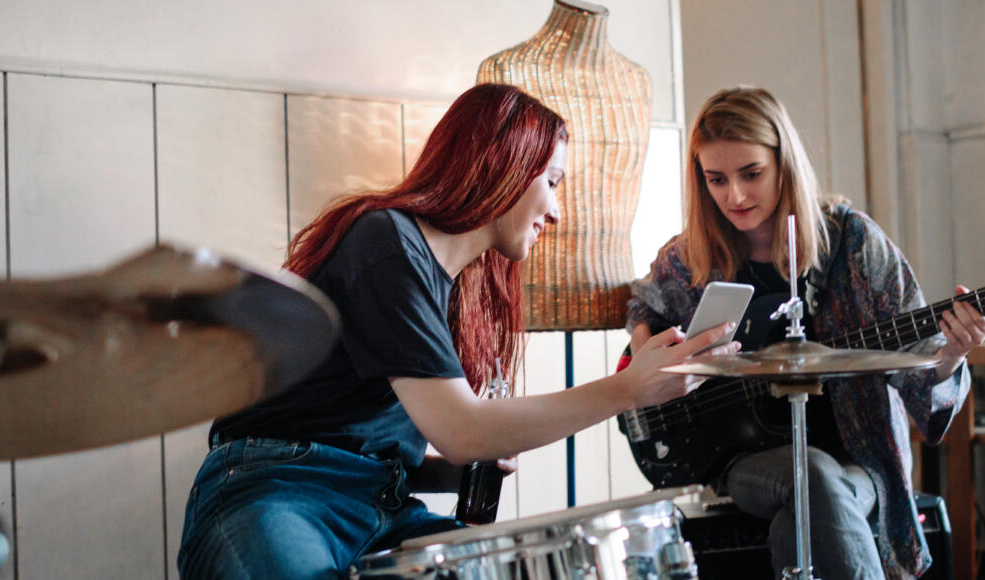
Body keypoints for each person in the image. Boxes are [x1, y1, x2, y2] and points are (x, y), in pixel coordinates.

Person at [176, 83, 739, 580]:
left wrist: (452, 473)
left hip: (379, 503)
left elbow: (385, 439)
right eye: (552, 181)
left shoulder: (452, 286)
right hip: (276, 491)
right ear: (504, 166)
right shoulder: (385, 241)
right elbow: (460, 429)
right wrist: (628, 389)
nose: (557, 211)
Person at [625, 87, 985, 580]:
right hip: (743, 460)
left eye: (751, 174)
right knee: (811, 472)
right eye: (716, 179)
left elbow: (922, 365)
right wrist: (646, 342)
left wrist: (950, 353)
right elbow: (642, 305)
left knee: (799, 517)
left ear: (784, 164)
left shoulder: (853, 243)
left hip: (859, 464)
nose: (735, 195)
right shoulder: (690, 257)